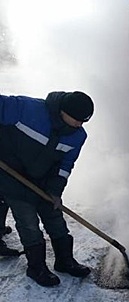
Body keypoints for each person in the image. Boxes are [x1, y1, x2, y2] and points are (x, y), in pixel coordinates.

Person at [0, 91, 94, 287]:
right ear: (63, 111)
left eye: (84, 122)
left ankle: (64, 261)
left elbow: (65, 166)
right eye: (77, 120)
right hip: (11, 175)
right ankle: (36, 268)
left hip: (43, 180)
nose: (79, 125)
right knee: (28, 223)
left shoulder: (77, 136)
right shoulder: (27, 109)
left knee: (54, 217)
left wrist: (55, 192)